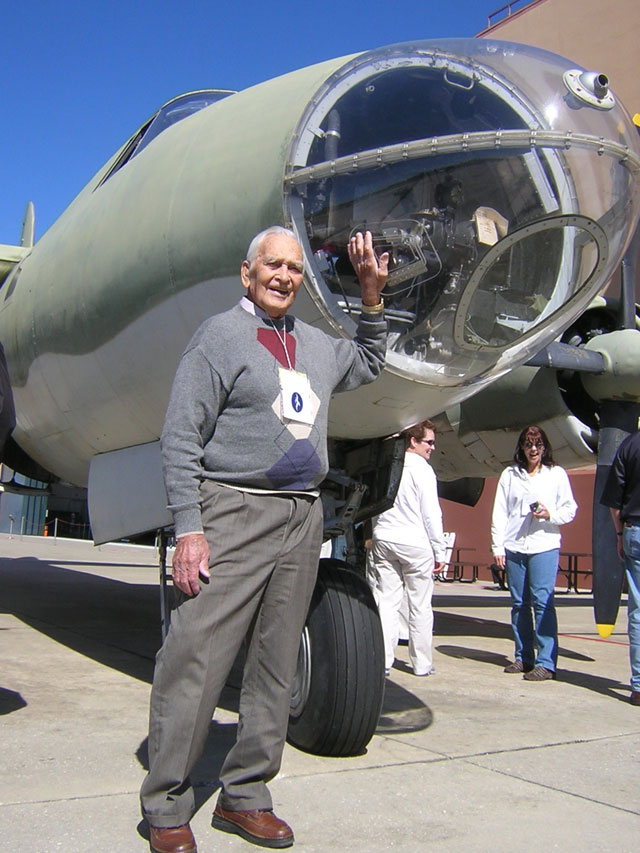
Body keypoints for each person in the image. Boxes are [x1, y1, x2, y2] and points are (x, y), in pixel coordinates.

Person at [140, 226, 388, 853]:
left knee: (276, 664)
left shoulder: (316, 345)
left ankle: (245, 795)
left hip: (302, 519)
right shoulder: (219, 337)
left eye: (295, 268)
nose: (284, 276)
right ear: (246, 273)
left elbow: (369, 361)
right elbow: (180, 437)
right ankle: (166, 803)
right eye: (272, 265)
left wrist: (370, 297)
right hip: (232, 512)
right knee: (196, 656)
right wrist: (190, 529)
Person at [491, 425, 577, 681]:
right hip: (515, 546)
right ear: (521, 448)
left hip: (544, 544)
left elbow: (570, 508)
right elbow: (500, 512)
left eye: (538, 445)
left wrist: (550, 514)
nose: (533, 450)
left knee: (542, 603)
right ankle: (523, 656)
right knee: (519, 604)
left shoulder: (556, 474)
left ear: (545, 448)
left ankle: (546, 662)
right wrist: (498, 546)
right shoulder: (510, 475)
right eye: (528, 445)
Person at [369, 420, 447, 677]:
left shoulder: (390, 465)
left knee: (387, 601)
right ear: (414, 441)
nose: (432, 448)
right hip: (415, 544)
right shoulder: (423, 470)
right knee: (420, 605)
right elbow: (431, 515)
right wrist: (440, 550)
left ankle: (383, 660)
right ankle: (422, 663)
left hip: (385, 540)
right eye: (429, 442)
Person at [600, 428, 640, 706]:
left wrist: (619, 535)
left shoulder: (629, 445)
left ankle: (639, 685)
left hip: (634, 531)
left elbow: (615, 502)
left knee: (638, 611)